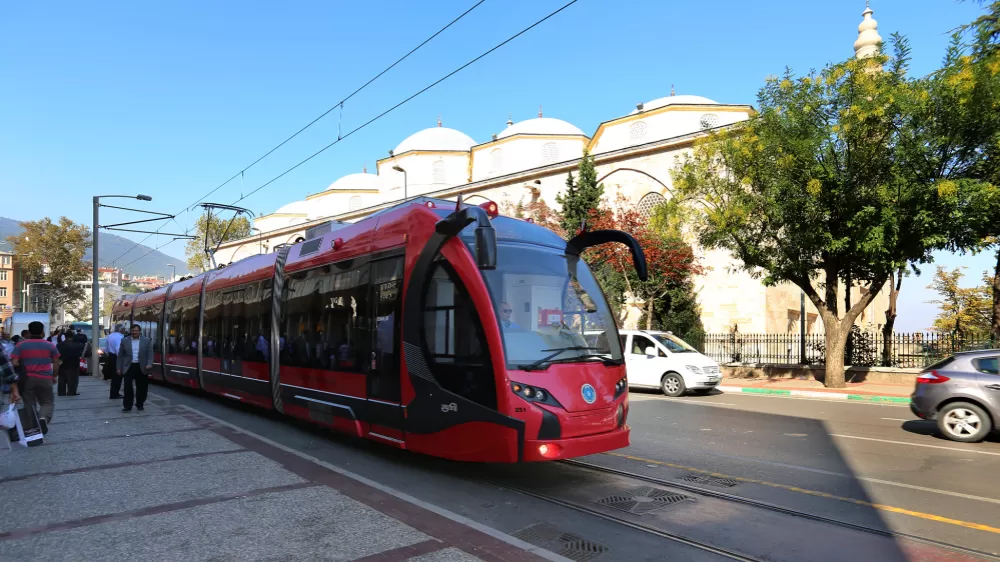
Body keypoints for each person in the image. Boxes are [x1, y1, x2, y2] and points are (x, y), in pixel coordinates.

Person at [11, 321, 60, 435]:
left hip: (27, 379)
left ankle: (34, 427)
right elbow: (57, 362)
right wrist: (54, 375)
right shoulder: (50, 345)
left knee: (29, 404)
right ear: (42, 332)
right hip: (45, 378)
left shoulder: (20, 345)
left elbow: (14, 362)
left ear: (29, 331)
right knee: (47, 402)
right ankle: (43, 419)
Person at [117, 324, 153, 412]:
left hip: (142, 366)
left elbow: (150, 354)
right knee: (127, 387)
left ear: (139, 331)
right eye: (133, 331)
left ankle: (140, 404)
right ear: (130, 331)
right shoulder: (124, 340)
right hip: (129, 366)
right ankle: (127, 406)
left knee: (142, 387)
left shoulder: (147, 341)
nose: (134, 332)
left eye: (136, 331)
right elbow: (120, 355)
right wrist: (118, 368)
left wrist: (149, 364)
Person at [56, 332, 86, 396]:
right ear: (73, 336)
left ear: (65, 336)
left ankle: (61, 392)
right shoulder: (77, 345)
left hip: (62, 363)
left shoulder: (59, 345)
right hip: (73, 364)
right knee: (73, 379)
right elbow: (80, 353)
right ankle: (71, 392)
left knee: (61, 379)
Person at [105, 324, 125, 397]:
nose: (125, 330)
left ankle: (113, 393)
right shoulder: (119, 337)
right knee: (118, 376)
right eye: (124, 329)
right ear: (120, 329)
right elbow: (118, 349)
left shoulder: (110, 336)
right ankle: (115, 393)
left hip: (111, 356)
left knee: (114, 377)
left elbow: (106, 348)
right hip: (117, 357)